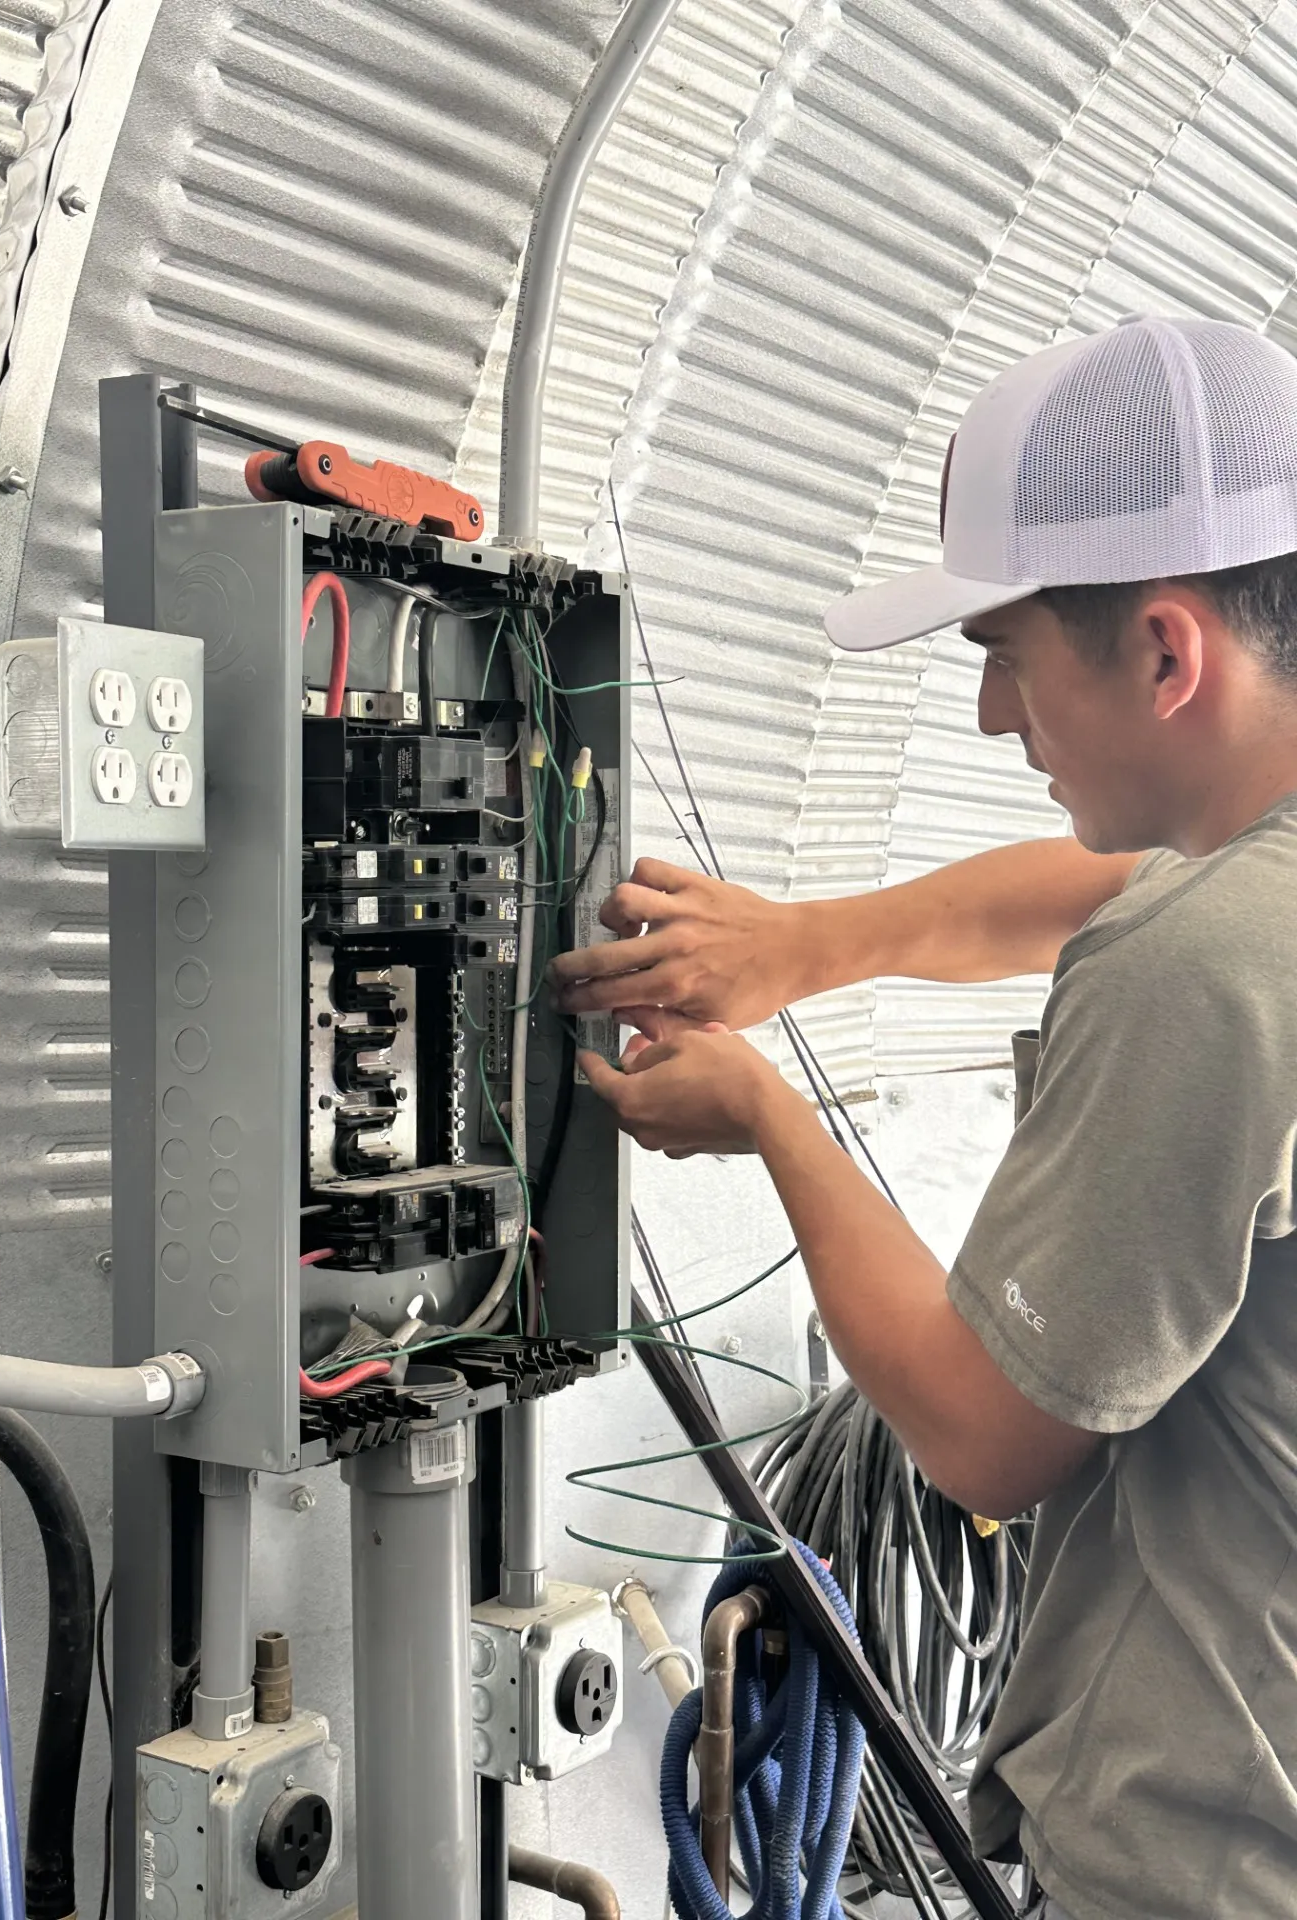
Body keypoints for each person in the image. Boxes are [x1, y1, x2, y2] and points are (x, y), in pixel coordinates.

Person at [551, 316, 1297, 1920]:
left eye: (1007, 652)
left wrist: (772, 1120)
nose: (986, 717)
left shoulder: (1205, 965)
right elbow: (1109, 883)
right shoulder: (1247, 895)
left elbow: (981, 1437)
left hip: (1217, 1855)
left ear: (1166, 653)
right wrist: (812, 944)